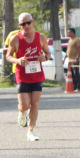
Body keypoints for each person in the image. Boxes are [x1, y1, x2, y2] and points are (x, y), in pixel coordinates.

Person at [6, 13, 49, 141]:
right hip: (22, 75)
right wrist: (18, 60)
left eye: (28, 23)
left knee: (34, 103)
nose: (26, 26)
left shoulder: (41, 37)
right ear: (19, 25)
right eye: (23, 24)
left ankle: (30, 131)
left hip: (37, 74)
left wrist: (44, 57)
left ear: (33, 22)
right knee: (25, 104)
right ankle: (22, 112)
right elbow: (8, 56)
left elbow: (47, 53)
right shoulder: (15, 38)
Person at [66, 28, 80, 92]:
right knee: (71, 74)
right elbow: (68, 49)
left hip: (74, 59)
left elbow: (79, 49)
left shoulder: (77, 40)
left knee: (76, 74)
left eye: (69, 32)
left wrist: (77, 58)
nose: (68, 33)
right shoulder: (70, 40)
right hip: (69, 60)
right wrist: (65, 58)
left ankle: (79, 87)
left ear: (73, 32)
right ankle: (74, 86)